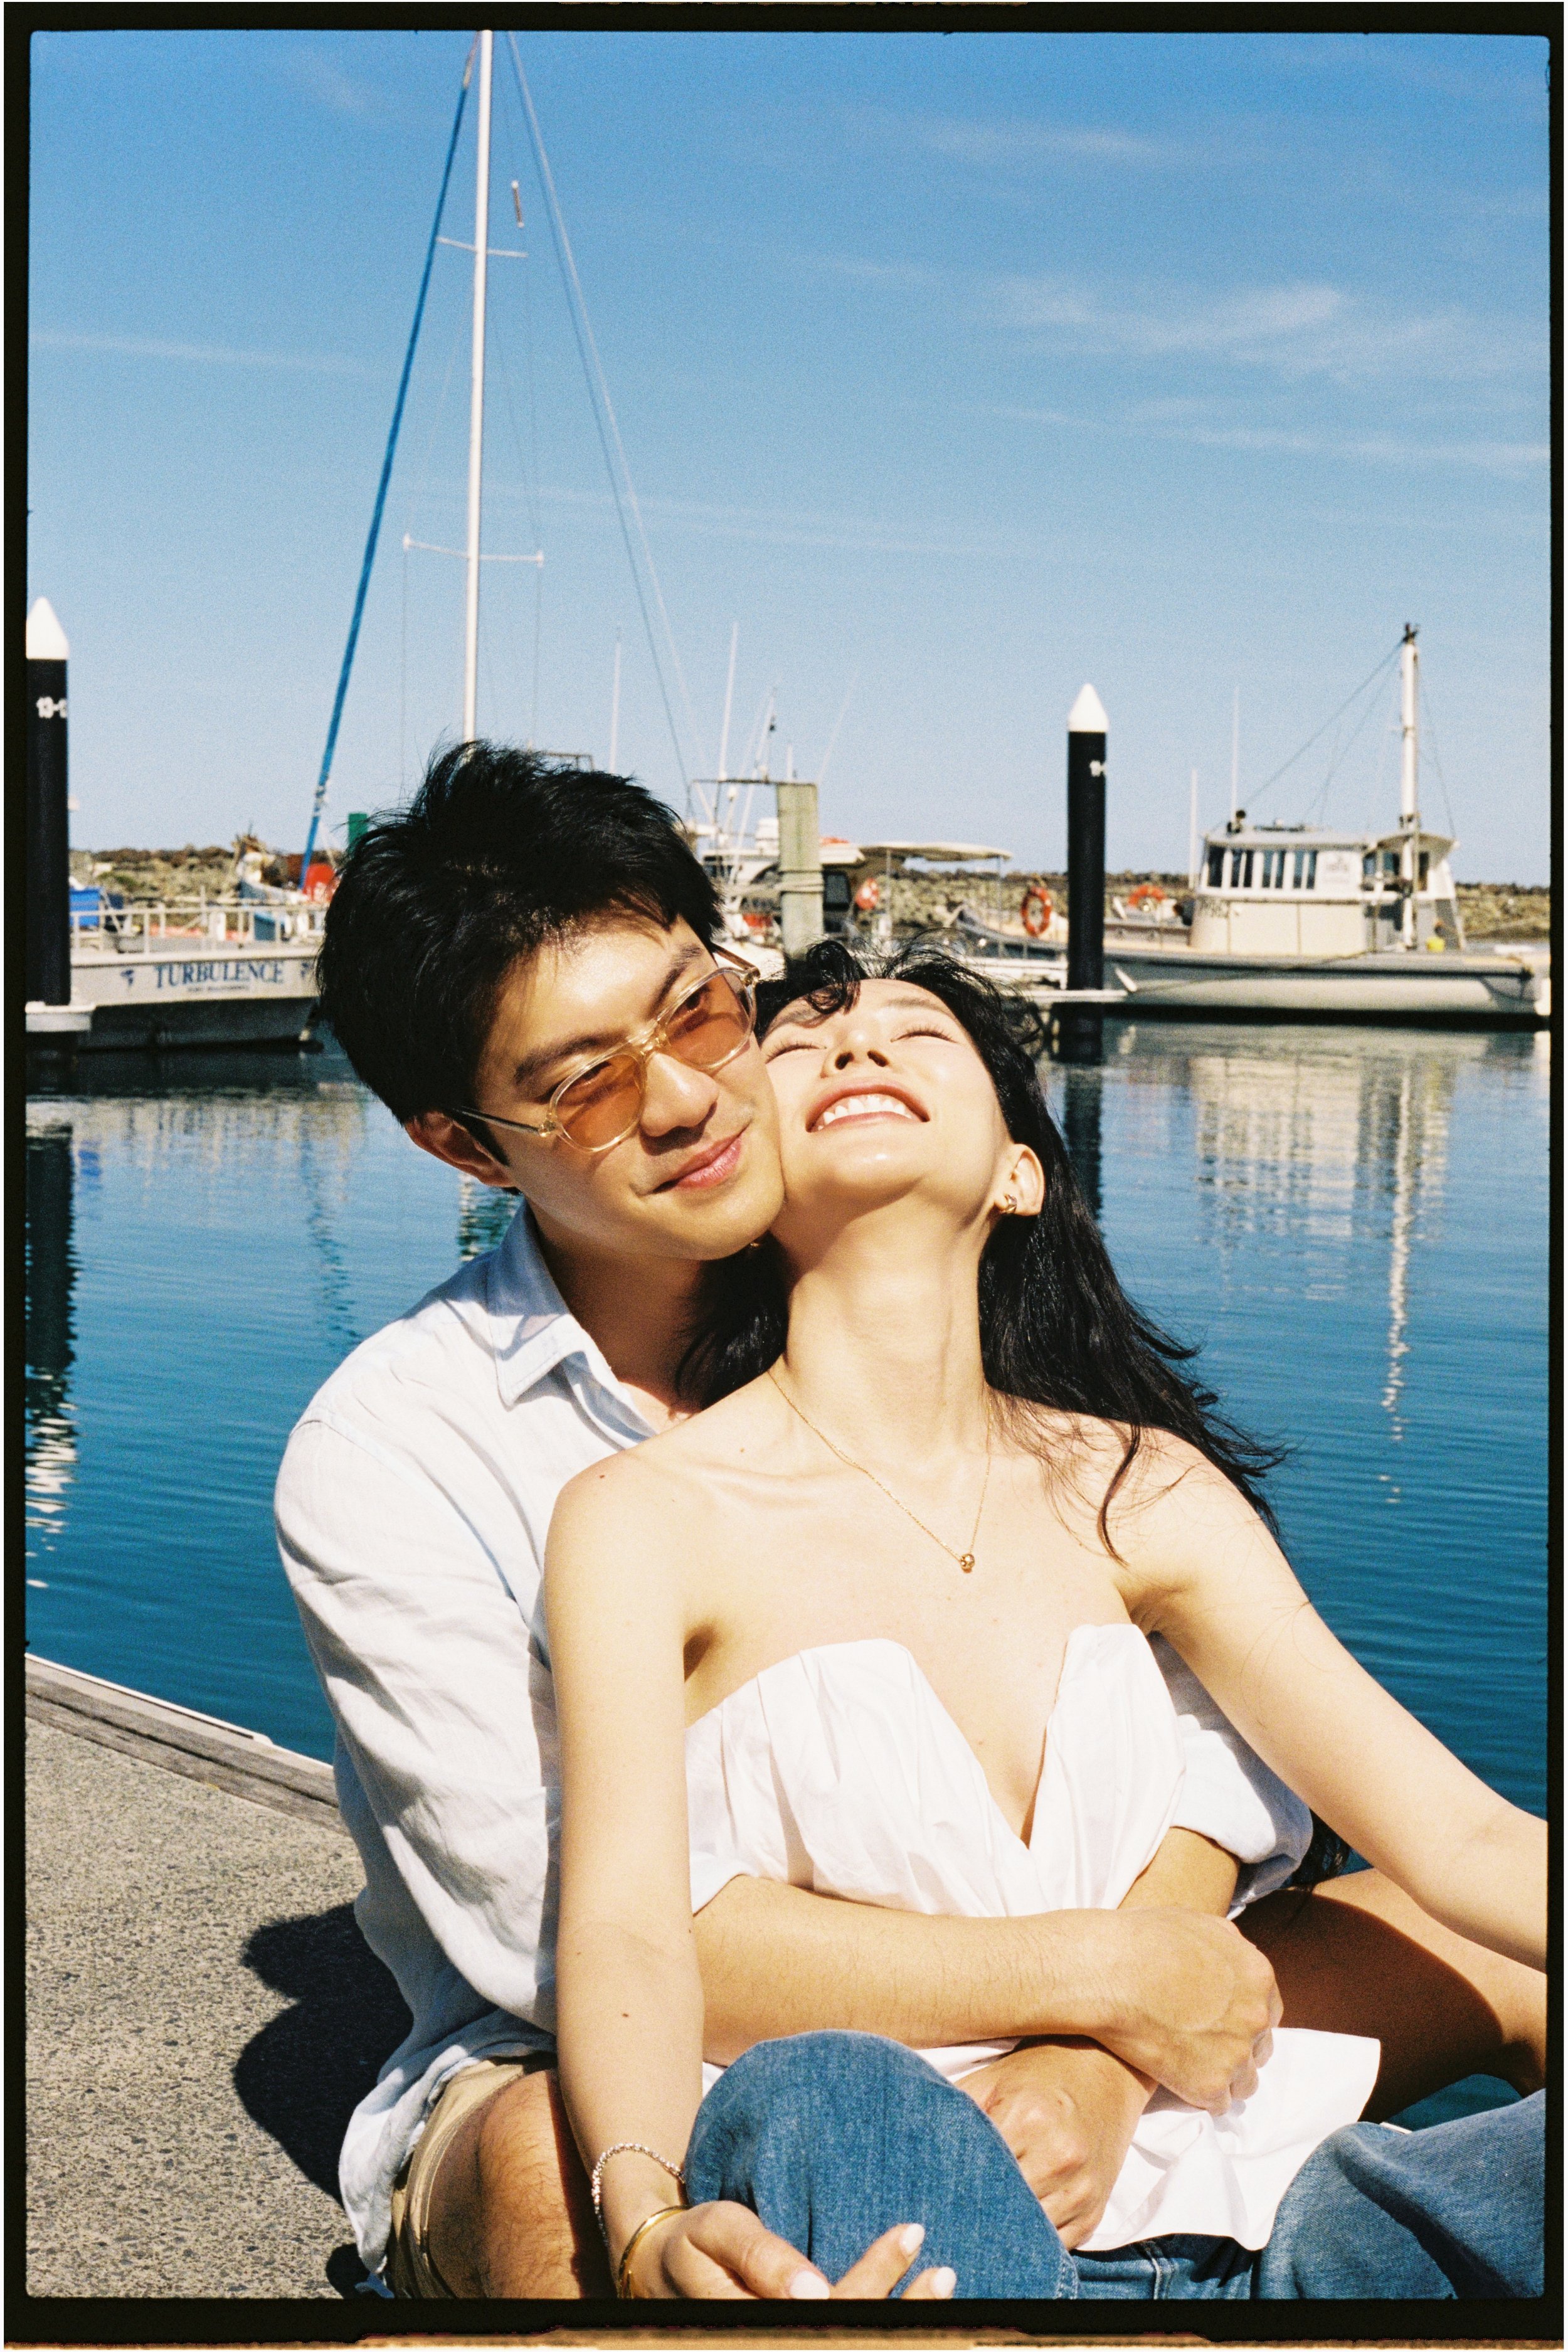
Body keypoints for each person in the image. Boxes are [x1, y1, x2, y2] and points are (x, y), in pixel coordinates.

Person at [278, 745, 1543, 2299]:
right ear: (467, 1147)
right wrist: (1095, 1980)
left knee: (1470, 1949)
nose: (689, 1099)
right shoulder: (423, 1457)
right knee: (632, 2166)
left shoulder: (1071, 1428)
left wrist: (1098, 2044)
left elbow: (1302, 1781)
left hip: (1121, 2025)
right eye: (588, 1085)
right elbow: (576, 1937)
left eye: (705, 1013)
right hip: (650, 2070)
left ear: (1016, 1171)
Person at [544, 938, 1547, 2301]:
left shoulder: (1140, 1487)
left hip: (1266, 2227)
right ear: (754, 1165)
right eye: (800, 1045)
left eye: (918, 1035)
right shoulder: (643, 1516)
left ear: (1016, 1170)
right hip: (905, 2236)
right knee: (826, 2092)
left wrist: (1105, 2055)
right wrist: (644, 2216)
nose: (854, 1048)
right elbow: (624, 1932)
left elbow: (1458, 1838)